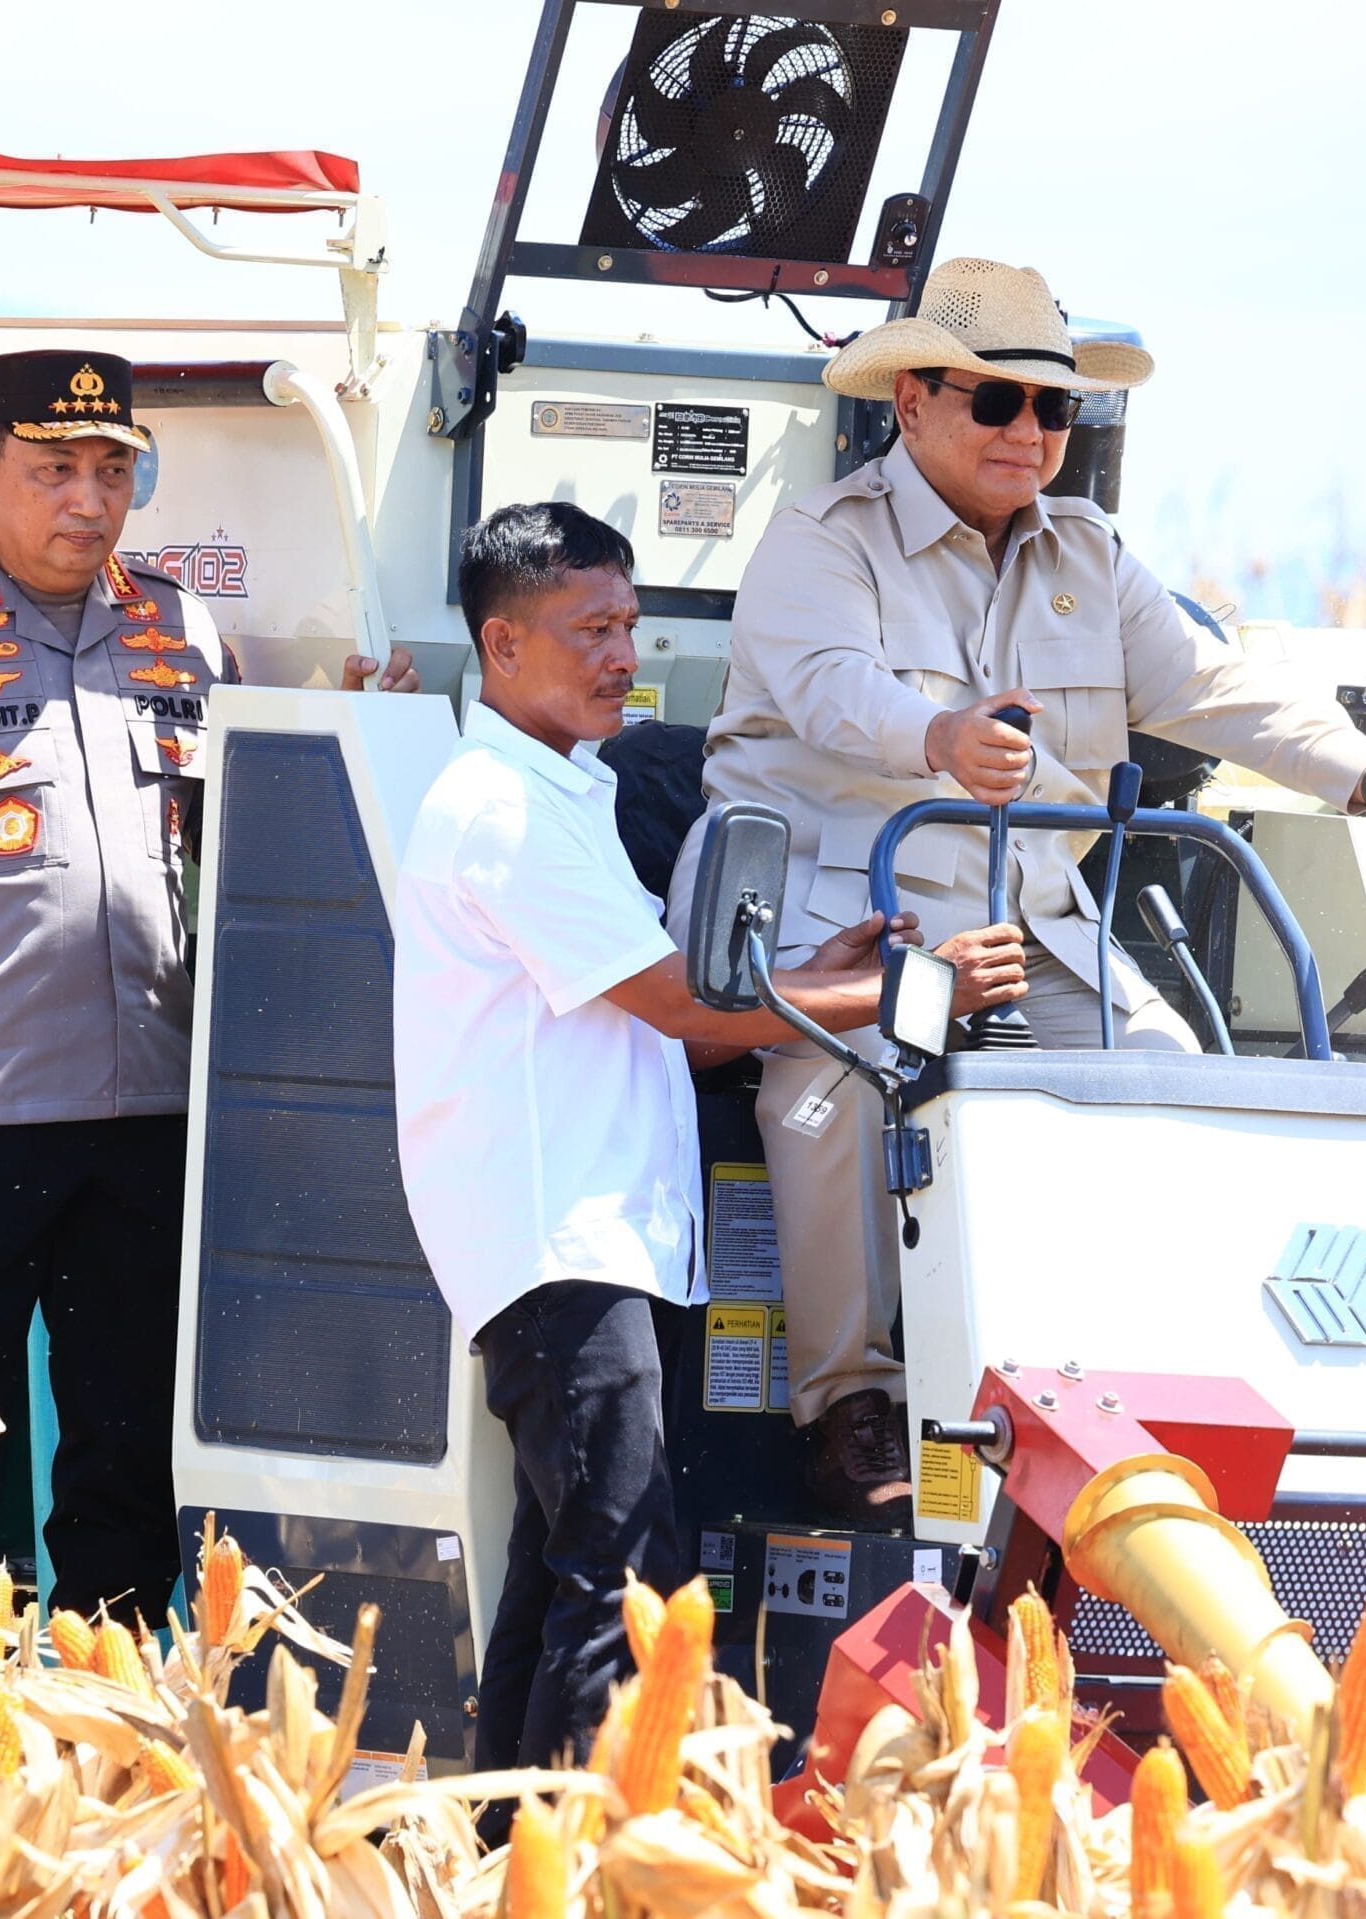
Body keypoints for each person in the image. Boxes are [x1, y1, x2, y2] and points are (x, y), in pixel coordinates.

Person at [665, 257, 1366, 1525]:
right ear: (911, 402)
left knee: (1158, 1079)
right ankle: (851, 1408)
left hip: (1033, 924)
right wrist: (938, 736)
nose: (1031, 432)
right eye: (996, 401)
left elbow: (1214, 691)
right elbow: (834, 689)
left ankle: (1114, 1396)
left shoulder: (1093, 554)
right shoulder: (817, 541)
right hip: (859, 921)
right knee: (827, 1090)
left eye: (1055, 411)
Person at [0, 348, 416, 1679]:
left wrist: (354, 726)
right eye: (54, 469)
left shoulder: (179, 631)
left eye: (111, 469)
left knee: (128, 1414)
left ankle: (113, 1675)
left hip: (154, 1104)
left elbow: (244, 824)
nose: (87, 498)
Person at [391, 501, 1020, 1801]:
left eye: (630, 625)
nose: (625, 656)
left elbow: (671, 1031)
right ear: (502, 645)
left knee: (563, 1571)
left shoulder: (558, 793)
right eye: (591, 631)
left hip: (593, 1244)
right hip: (564, 1248)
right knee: (630, 1578)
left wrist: (812, 976)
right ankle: (582, 1853)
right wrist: (908, 990)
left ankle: (505, 1848)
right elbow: (683, 1005)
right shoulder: (503, 808)